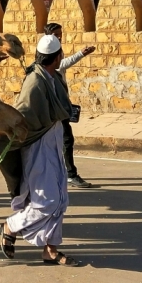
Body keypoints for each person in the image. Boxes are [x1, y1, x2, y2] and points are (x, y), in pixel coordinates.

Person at [0, 34, 78, 267]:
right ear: (56, 57)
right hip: (38, 146)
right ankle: (10, 226)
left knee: (60, 199)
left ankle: (50, 250)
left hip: (53, 140)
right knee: (47, 201)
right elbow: (19, 118)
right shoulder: (35, 83)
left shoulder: (52, 76)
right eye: (60, 55)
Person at [44, 23, 95, 188]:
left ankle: (57, 172)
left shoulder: (55, 49)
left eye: (61, 34)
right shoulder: (48, 52)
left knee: (59, 139)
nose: (59, 37)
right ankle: (70, 174)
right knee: (65, 139)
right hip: (55, 104)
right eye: (56, 35)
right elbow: (60, 66)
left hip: (60, 101)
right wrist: (81, 54)